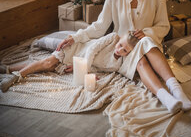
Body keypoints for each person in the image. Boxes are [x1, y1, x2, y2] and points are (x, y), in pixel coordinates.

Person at [1, 0, 191, 113]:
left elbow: (163, 26)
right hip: (122, 49)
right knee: (140, 61)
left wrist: (146, 32)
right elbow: (100, 26)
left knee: (144, 43)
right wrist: (75, 37)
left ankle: (177, 91)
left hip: (149, 43)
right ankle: (168, 100)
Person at [0, 31, 139, 92]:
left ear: (129, 53)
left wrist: (77, 68)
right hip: (76, 49)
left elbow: (98, 68)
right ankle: (14, 77)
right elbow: (92, 50)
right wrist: (85, 70)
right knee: (48, 63)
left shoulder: (116, 65)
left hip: (78, 62)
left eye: (125, 51)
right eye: (121, 45)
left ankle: (7, 69)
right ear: (120, 40)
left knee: (47, 67)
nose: (120, 50)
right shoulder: (113, 37)